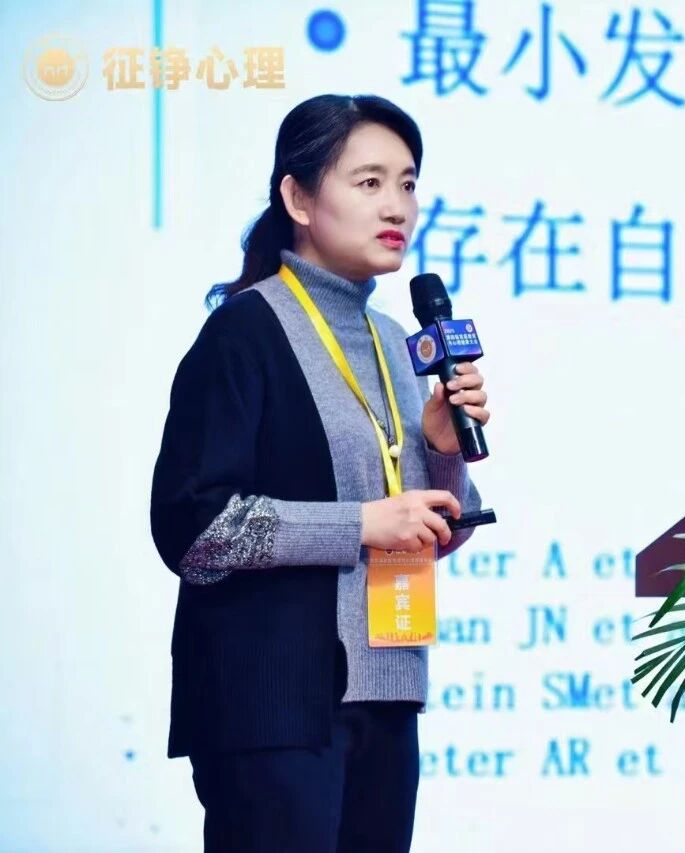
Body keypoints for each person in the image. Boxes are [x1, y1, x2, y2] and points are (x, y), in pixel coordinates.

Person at [149, 94, 489, 853]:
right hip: (271, 704)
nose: (396, 206)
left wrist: (442, 448)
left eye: (407, 184)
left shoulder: (400, 342)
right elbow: (192, 529)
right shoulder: (244, 332)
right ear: (298, 199)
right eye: (369, 182)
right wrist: (362, 524)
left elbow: (433, 532)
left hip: (387, 693)